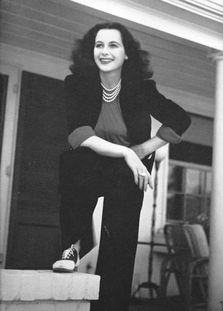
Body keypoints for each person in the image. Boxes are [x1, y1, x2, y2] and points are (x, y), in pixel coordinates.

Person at [52, 22, 191, 311]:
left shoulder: (141, 89)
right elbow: (79, 134)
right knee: (73, 159)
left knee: (119, 242)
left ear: (126, 54)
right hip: (91, 162)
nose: (105, 51)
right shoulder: (76, 84)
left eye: (113, 45)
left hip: (127, 172)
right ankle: (73, 247)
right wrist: (126, 154)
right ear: (91, 52)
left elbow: (180, 118)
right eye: (99, 45)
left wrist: (141, 150)